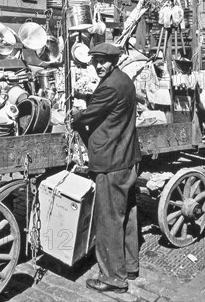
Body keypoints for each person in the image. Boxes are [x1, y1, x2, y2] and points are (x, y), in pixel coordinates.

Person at [71, 42, 141, 293]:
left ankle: (113, 277)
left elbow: (87, 116)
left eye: (104, 61)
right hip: (128, 158)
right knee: (128, 214)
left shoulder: (109, 86)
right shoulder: (124, 80)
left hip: (112, 161)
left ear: (115, 60)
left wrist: (75, 115)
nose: (98, 66)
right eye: (95, 61)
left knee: (109, 219)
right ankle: (130, 266)